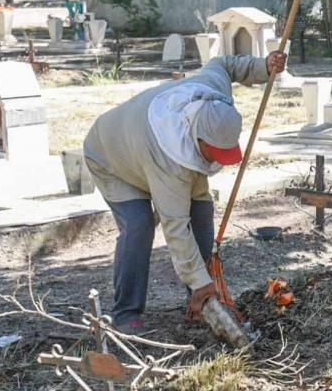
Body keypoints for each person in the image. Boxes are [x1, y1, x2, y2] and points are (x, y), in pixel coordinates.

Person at [83, 51, 287, 331]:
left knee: (202, 211)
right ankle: (125, 313)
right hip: (111, 157)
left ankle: (201, 302)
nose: (217, 160)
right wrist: (200, 280)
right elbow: (176, 227)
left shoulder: (212, 93)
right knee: (139, 224)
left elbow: (223, 65)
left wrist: (262, 67)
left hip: (142, 144)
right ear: (197, 138)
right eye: (213, 153)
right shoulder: (170, 161)